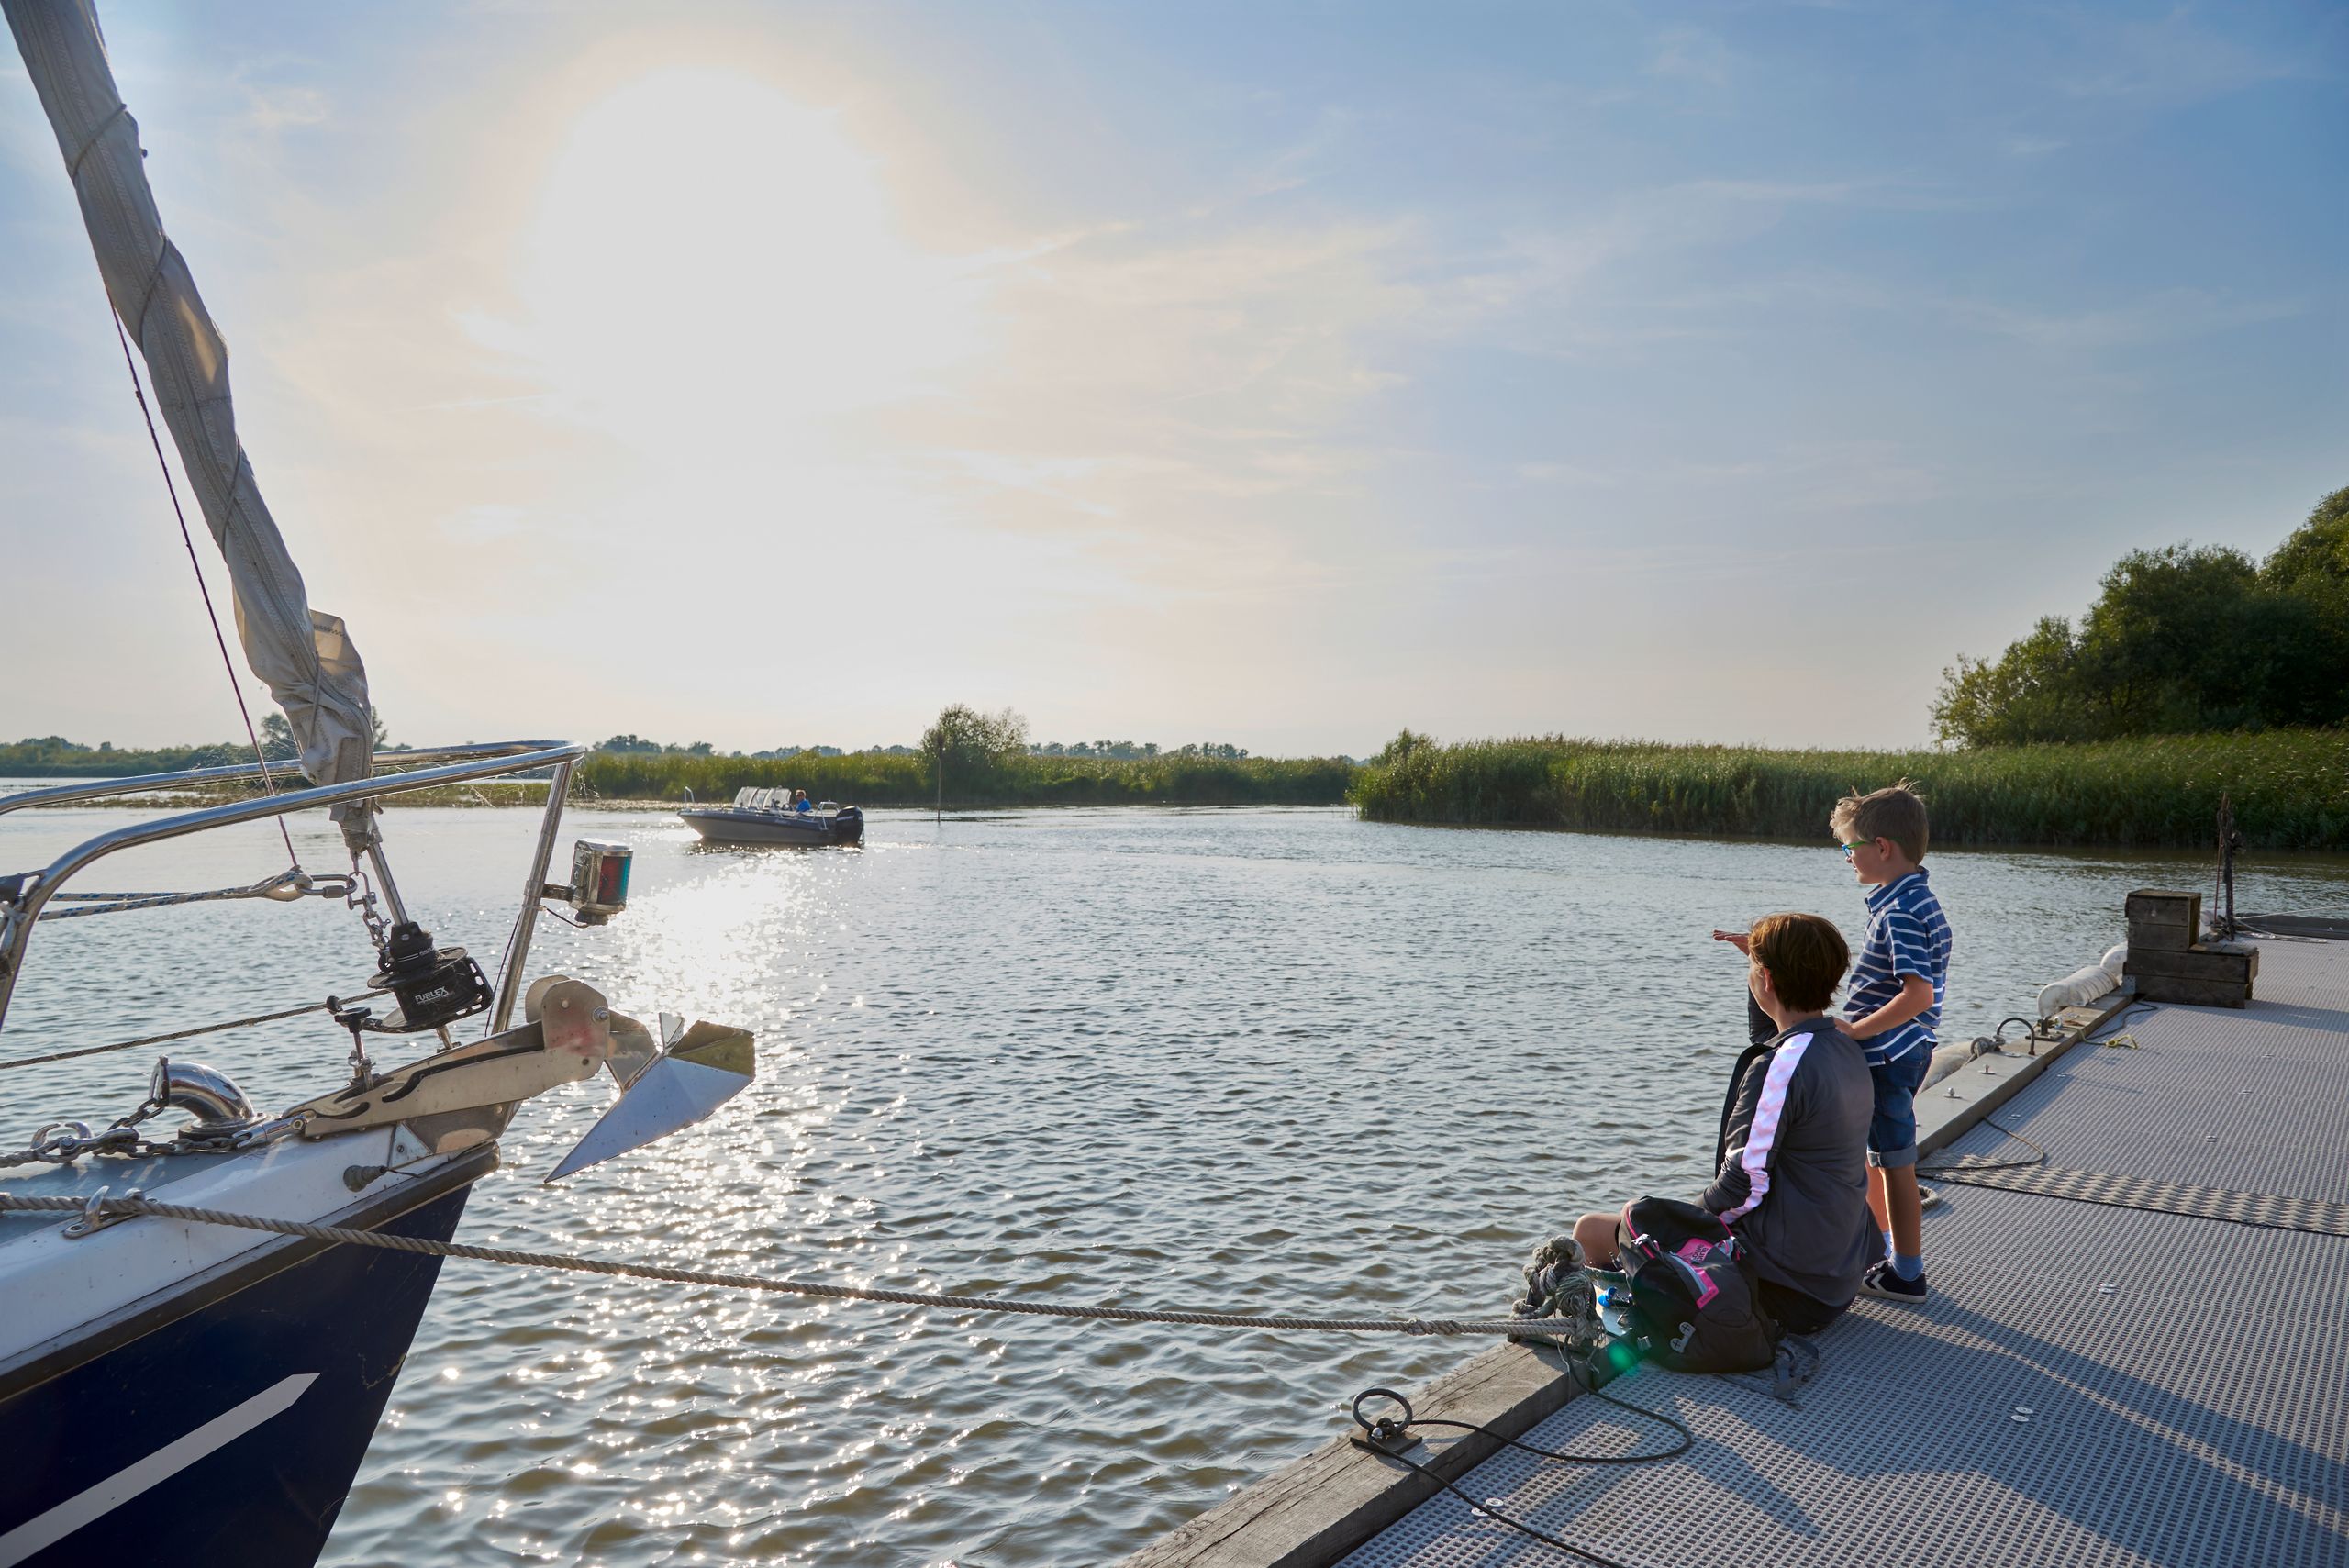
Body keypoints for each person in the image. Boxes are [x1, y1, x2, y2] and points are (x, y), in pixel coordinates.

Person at [1575, 912, 1876, 1337]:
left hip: (1788, 1291)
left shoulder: (1781, 1068)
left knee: (1591, 1230)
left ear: (1768, 980)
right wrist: (1759, 970)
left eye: (1756, 970)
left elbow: (1742, 1185)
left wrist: (1674, 1223)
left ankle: (1623, 1327)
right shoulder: (1844, 1047)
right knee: (1649, 1226)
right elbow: (1771, 1034)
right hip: (1836, 1279)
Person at [1831, 782, 1951, 1305]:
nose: (1848, 858)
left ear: (1882, 848)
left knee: (1896, 1162)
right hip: (1904, 1050)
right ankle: (1884, 1253)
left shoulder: (1899, 911)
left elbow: (1918, 993)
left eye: (1850, 847)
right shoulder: (1914, 898)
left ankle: (1907, 1272)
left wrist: (1856, 1030)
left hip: (1887, 1055)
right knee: (1881, 1158)